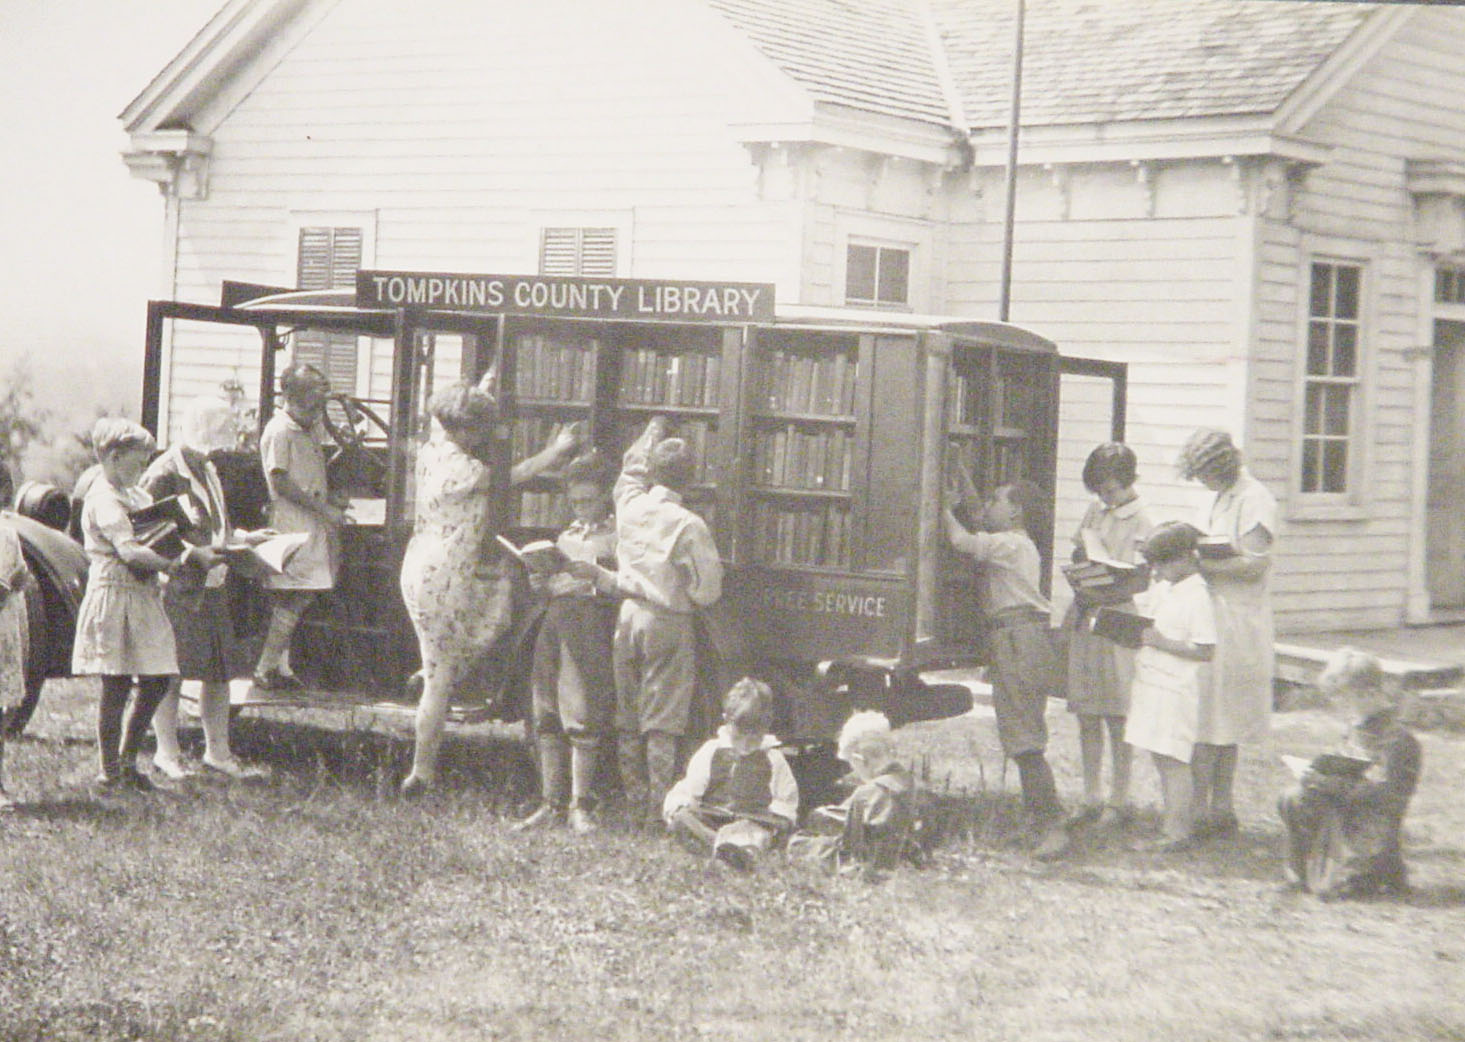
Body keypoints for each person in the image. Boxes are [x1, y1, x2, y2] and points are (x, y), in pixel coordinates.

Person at [397, 377, 579, 797]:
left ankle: (436, 665)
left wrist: (485, 381)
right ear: (464, 429)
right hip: (444, 571)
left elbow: (452, 412)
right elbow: (511, 477)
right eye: (477, 429)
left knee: (489, 619)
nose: (481, 438)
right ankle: (421, 772)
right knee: (446, 674)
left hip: (421, 562)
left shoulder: (432, 448)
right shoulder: (465, 466)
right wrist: (556, 451)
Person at [589, 416, 723, 823]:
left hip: (627, 615)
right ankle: (657, 809)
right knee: (662, 720)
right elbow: (708, 590)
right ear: (691, 480)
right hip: (667, 619)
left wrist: (651, 432)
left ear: (654, 474)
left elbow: (630, 471)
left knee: (628, 716)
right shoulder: (689, 524)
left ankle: (633, 803)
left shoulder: (629, 504)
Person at [142, 395, 272, 779]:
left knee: (218, 670)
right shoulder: (165, 473)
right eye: (214, 441)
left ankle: (219, 751)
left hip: (213, 584)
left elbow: (218, 525)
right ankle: (167, 752)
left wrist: (246, 539)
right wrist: (192, 554)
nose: (217, 452)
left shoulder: (209, 469)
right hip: (178, 587)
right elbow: (149, 535)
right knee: (170, 671)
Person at [942, 476, 1069, 861]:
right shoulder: (1017, 544)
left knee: (1025, 740)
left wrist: (941, 508)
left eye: (997, 499)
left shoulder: (1012, 544)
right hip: (1017, 638)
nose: (988, 507)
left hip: (1018, 640)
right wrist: (967, 490)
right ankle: (1041, 821)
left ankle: (1052, 825)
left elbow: (963, 541)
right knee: (1021, 736)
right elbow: (979, 523)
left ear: (1016, 511)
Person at [71, 418, 185, 792]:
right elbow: (130, 551)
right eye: (138, 462)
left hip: (142, 594)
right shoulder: (103, 498)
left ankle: (127, 757)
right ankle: (110, 770)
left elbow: (155, 532)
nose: (143, 470)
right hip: (115, 593)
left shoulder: (136, 494)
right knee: (116, 683)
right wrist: (172, 563)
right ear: (114, 457)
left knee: (158, 679)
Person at [1177, 428, 1278, 839]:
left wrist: (1200, 566)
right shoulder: (1218, 496)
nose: (1202, 484)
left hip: (1238, 618)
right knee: (1207, 714)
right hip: (1213, 613)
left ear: (1221, 468)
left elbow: (1255, 564)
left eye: (1204, 475)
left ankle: (1216, 805)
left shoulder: (1255, 499)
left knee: (1222, 716)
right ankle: (1208, 806)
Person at [514, 451, 619, 833]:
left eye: (588, 501)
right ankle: (550, 802)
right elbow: (549, 589)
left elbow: (618, 589)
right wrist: (539, 582)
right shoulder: (566, 536)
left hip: (589, 625)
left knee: (582, 712)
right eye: (574, 502)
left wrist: (597, 575)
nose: (580, 509)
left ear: (606, 497)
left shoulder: (615, 537)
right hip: (554, 623)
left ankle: (581, 805)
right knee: (546, 710)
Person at [1278, 648, 1422, 898]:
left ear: (1370, 693)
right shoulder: (1357, 727)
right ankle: (1300, 873)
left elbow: (1385, 795)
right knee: (1292, 797)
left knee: (1336, 888)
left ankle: (1372, 872)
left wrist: (1328, 784)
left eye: (1343, 699)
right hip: (1344, 808)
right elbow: (1342, 763)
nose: (1339, 706)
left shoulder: (1398, 739)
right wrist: (1319, 774)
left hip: (1370, 827)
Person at [1062, 442, 1153, 829]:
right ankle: (1090, 795)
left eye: (1111, 489)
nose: (1104, 496)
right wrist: (1083, 576)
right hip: (1088, 612)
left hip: (1118, 616)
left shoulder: (1143, 520)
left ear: (1129, 481)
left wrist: (1104, 591)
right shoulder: (1095, 510)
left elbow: (1142, 578)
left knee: (1117, 713)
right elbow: (1080, 553)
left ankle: (1119, 798)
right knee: (1087, 711)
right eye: (1099, 489)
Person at [250, 363, 345, 691]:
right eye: (310, 397)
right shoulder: (280, 430)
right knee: (296, 594)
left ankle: (281, 667)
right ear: (289, 396)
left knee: (297, 595)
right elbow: (281, 481)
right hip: (293, 523)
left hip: (310, 522)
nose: (317, 406)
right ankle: (265, 668)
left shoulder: (306, 430)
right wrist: (323, 509)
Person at [1122, 522, 1216, 852]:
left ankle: (1179, 829)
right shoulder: (1167, 587)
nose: (1158, 572)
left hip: (1176, 687)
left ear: (1186, 559)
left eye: (1163, 564)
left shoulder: (1198, 595)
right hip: (1152, 681)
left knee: (1175, 758)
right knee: (1159, 756)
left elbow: (1205, 650)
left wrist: (1162, 643)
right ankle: (1170, 822)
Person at [662, 677, 798, 872]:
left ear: (766, 728)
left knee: (755, 834)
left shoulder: (773, 758)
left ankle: (735, 851)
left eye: (753, 740)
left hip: (751, 824)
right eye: (738, 738)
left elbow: (786, 803)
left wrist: (775, 817)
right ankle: (723, 848)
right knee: (681, 819)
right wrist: (683, 805)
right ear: (726, 721)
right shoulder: (711, 752)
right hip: (712, 822)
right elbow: (689, 791)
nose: (744, 747)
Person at [788, 711, 919, 879]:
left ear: (860, 759)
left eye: (851, 763)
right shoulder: (905, 781)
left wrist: (819, 814)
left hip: (863, 862)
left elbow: (847, 831)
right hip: (894, 855)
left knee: (798, 844)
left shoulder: (869, 792)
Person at [0, 518, 30, 810]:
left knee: (3, 710)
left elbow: (20, 574)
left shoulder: (7, 533)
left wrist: (19, 579)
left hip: (4, 629)